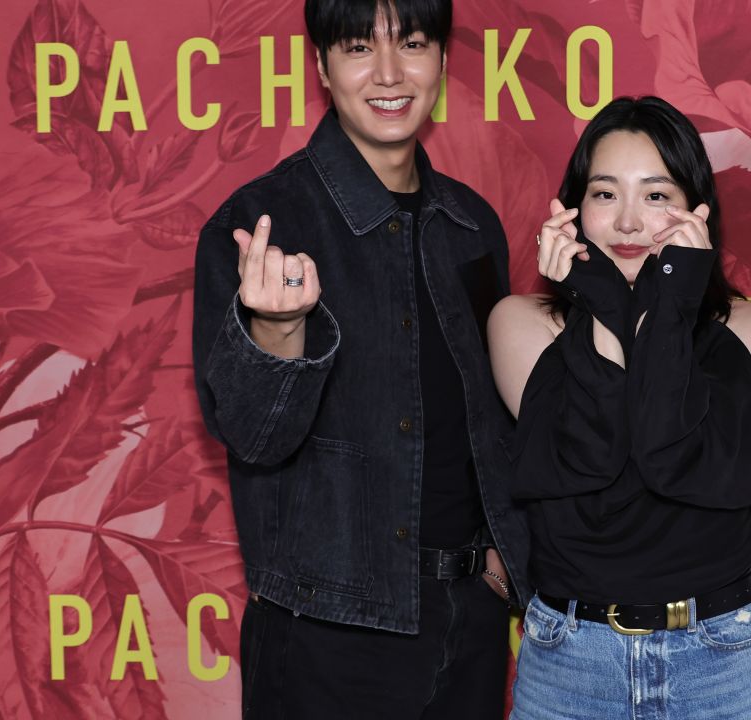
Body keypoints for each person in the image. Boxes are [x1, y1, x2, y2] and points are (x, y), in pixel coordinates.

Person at [191, 0, 526, 717]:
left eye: (410, 43)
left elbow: (491, 418)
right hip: (327, 639)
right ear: (320, 66)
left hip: (468, 624)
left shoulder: (473, 226)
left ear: (440, 58)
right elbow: (251, 437)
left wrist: (501, 544)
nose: (387, 73)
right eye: (355, 48)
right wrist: (278, 332)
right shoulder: (261, 225)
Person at [487, 95, 751, 719]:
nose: (627, 223)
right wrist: (598, 297)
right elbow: (591, 455)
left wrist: (671, 302)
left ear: (696, 212)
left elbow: (671, 456)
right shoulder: (522, 324)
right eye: (605, 194)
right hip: (569, 661)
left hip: (720, 659)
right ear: (571, 211)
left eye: (656, 195)